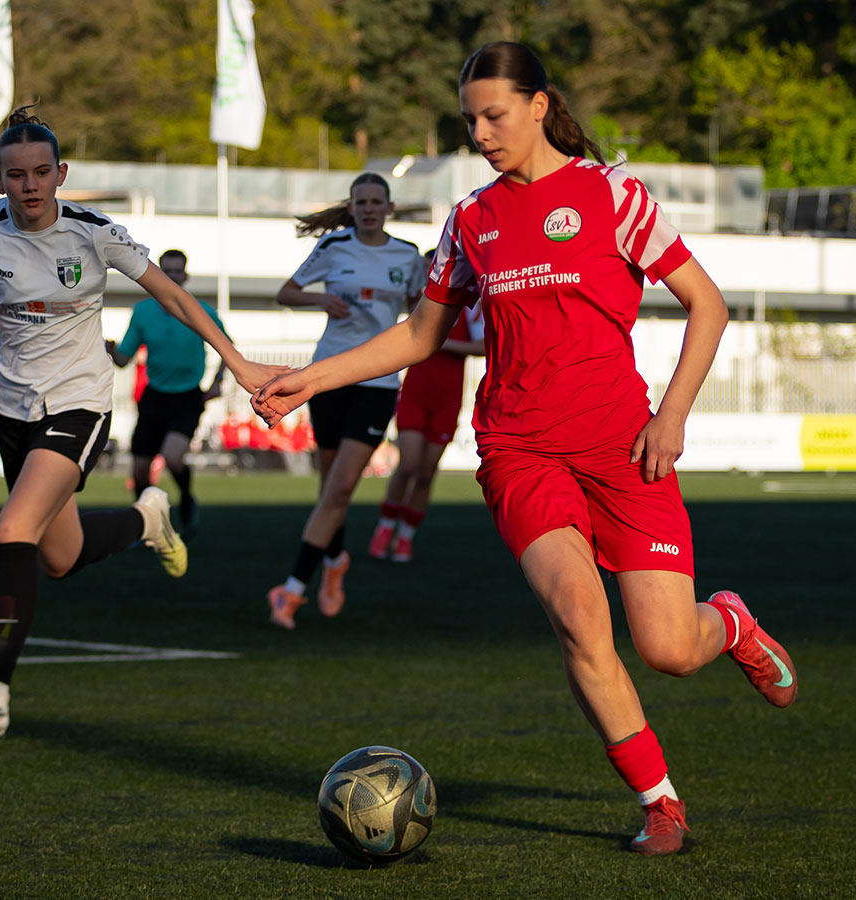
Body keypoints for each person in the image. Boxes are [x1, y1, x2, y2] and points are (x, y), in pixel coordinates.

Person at [253, 42, 797, 856]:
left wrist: (673, 415)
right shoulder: (471, 219)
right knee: (579, 618)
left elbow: (707, 304)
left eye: (494, 115)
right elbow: (421, 335)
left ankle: (731, 621)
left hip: (623, 447)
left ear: (539, 106)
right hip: (519, 449)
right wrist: (312, 378)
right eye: (469, 119)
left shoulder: (613, 195)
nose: (480, 133)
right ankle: (660, 803)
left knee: (669, 650)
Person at [0, 106, 279, 737]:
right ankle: (147, 519)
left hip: (80, 404)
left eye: (42, 172)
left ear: (61, 174)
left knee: (13, 527)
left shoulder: (94, 232)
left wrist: (237, 360)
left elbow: (173, 297)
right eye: (16, 175)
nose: (30, 185)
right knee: (59, 558)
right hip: (12, 411)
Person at [264, 173, 425, 630]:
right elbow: (285, 292)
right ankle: (335, 563)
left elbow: (422, 312)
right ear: (351, 208)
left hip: (379, 381)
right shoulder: (334, 247)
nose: (369, 209)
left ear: (389, 209)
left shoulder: (408, 255)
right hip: (328, 376)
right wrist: (322, 300)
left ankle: (292, 590)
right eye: (361, 202)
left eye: (376, 202)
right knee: (328, 489)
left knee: (338, 490)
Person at [368, 250, 485, 563]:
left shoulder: (470, 304)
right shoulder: (421, 299)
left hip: (448, 397)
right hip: (416, 391)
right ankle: (385, 525)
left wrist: (441, 343)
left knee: (426, 472)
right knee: (408, 465)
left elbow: (483, 346)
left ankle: (405, 536)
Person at [105, 248, 228, 535]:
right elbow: (123, 360)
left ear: (185, 276)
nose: (172, 276)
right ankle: (146, 523)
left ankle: (186, 499)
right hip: (155, 395)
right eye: (166, 271)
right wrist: (110, 350)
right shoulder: (143, 312)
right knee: (139, 470)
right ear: (158, 274)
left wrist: (217, 382)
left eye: (177, 271)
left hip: (188, 396)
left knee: (173, 457)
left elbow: (227, 348)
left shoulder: (200, 310)